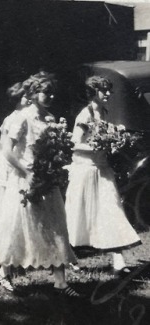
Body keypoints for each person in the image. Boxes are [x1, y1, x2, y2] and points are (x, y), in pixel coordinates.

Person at [0, 73, 80, 297]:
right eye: (45, 91)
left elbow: (55, 151)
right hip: (23, 180)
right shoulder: (21, 118)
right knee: (17, 227)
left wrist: (55, 167)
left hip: (47, 180)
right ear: (32, 93)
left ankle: (60, 281)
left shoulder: (50, 119)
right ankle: (4, 272)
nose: (49, 96)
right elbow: (7, 151)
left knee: (56, 226)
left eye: (52, 92)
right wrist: (25, 172)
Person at [65, 76, 141, 276]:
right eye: (104, 90)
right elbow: (74, 144)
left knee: (112, 210)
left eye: (109, 90)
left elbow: (106, 137)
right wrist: (97, 146)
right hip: (85, 170)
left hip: (103, 170)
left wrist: (114, 142)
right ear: (93, 92)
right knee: (77, 217)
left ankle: (118, 261)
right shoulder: (84, 114)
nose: (108, 94)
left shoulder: (104, 112)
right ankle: (66, 259)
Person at [0, 81, 29, 226]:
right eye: (25, 96)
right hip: (11, 166)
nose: (29, 98)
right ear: (18, 98)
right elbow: (4, 145)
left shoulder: (29, 117)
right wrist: (5, 167)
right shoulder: (11, 119)